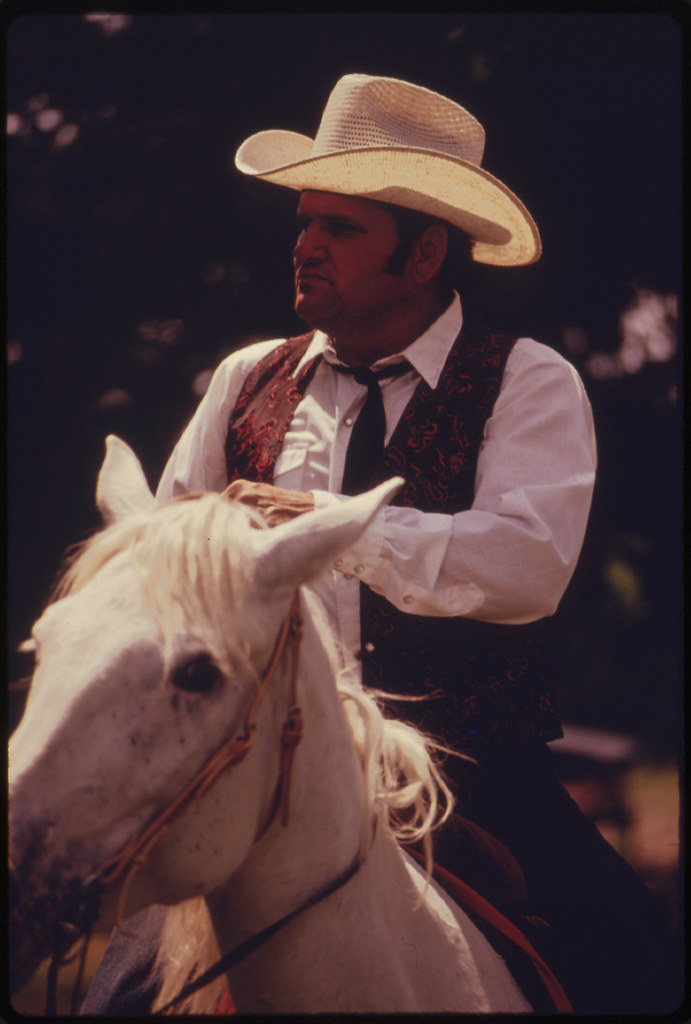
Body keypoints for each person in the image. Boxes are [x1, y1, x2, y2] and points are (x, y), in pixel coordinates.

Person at [83, 73, 680, 1015]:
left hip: (472, 779)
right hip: (258, 776)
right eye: (305, 220)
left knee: (638, 971)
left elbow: (525, 567)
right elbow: (164, 574)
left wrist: (331, 537)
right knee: (115, 993)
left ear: (425, 251)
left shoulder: (527, 378)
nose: (305, 245)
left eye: (340, 228)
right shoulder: (245, 379)